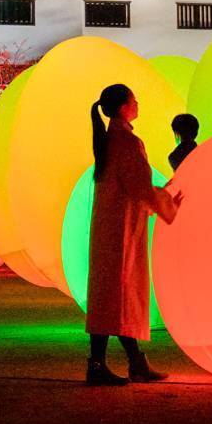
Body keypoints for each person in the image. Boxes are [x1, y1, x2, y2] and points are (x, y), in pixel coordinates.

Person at [84, 83, 181, 384]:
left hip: (110, 228)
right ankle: (113, 364)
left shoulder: (109, 140)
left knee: (109, 297)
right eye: (134, 99)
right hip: (123, 230)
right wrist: (167, 203)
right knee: (120, 295)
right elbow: (139, 187)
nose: (138, 103)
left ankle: (119, 363)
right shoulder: (127, 142)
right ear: (124, 107)